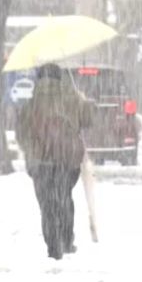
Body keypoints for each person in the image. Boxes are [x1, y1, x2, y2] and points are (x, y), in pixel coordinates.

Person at [16, 63, 93, 259]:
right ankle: (67, 240)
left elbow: (21, 134)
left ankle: (53, 246)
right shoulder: (72, 97)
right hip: (67, 161)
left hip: (40, 162)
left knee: (47, 205)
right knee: (64, 197)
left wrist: (32, 149)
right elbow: (88, 120)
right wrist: (83, 102)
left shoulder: (32, 103)